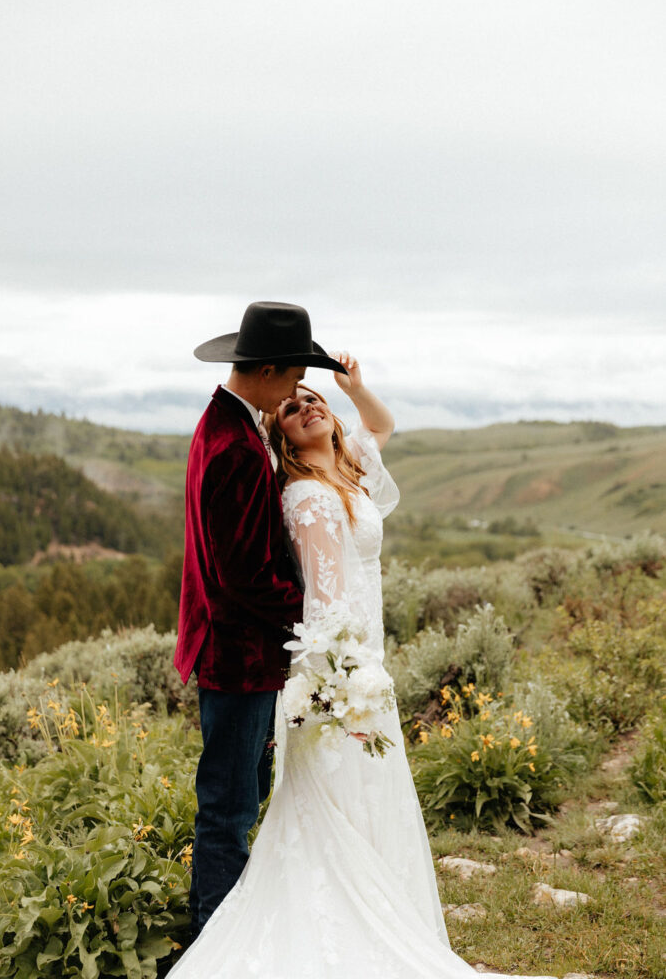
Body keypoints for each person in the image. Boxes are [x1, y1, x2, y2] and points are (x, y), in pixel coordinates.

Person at [170, 348, 559, 978]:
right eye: (293, 403)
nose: (304, 401)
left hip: (362, 660)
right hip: (341, 670)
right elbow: (323, 607)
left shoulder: (349, 472)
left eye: (311, 397)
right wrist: (342, 683)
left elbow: (381, 429)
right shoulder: (309, 498)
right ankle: (308, 918)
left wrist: (352, 387)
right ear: (285, 440)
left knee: (359, 789)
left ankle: (379, 899)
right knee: (325, 788)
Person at [174, 301, 347, 941]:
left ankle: (227, 933)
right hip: (238, 655)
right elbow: (243, 575)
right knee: (229, 808)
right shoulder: (235, 446)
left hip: (234, 650)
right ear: (267, 368)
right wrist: (318, 621)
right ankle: (214, 943)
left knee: (236, 795)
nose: (301, 387)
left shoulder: (226, 423)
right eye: (296, 372)